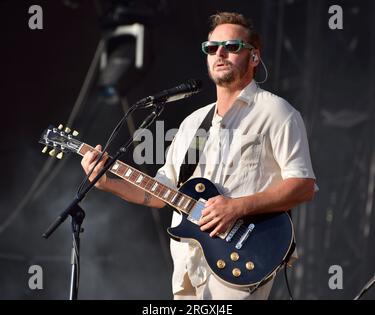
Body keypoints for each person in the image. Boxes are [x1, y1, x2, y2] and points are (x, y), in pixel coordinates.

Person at [81, 12, 317, 300]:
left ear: (254, 57)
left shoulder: (276, 113)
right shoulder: (195, 124)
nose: (220, 53)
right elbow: (161, 193)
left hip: (240, 259)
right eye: (212, 48)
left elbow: (303, 186)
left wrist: (237, 207)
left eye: (231, 47)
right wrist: (107, 183)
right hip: (188, 265)